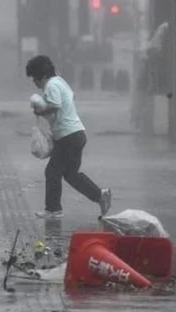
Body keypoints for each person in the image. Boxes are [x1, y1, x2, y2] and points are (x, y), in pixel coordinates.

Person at [25, 55, 112, 219]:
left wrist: (40, 111)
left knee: (52, 172)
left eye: (34, 78)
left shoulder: (51, 85)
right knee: (70, 174)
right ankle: (100, 195)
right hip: (76, 134)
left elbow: (56, 105)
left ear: (41, 75)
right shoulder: (59, 82)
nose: (35, 83)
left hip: (68, 136)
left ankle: (53, 209)